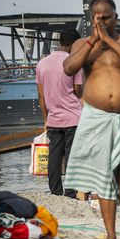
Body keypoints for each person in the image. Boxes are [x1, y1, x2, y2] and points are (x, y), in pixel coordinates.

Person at [63, 0, 120, 239]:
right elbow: (69, 68)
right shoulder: (82, 45)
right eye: (96, 18)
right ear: (91, 19)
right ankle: (110, 236)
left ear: (116, 18)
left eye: (106, 17)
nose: (101, 22)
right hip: (97, 118)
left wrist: (108, 39)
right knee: (104, 181)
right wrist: (92, 40)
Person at [36, 29, 83, 199]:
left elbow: (41, 96)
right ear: (72, 45)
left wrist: (46, 119)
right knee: (72, 157)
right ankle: (70, 195)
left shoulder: (42, 64)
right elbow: (79, 93)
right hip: (74, 118)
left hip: (54, 119)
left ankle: (55, 193)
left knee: (54, 157)